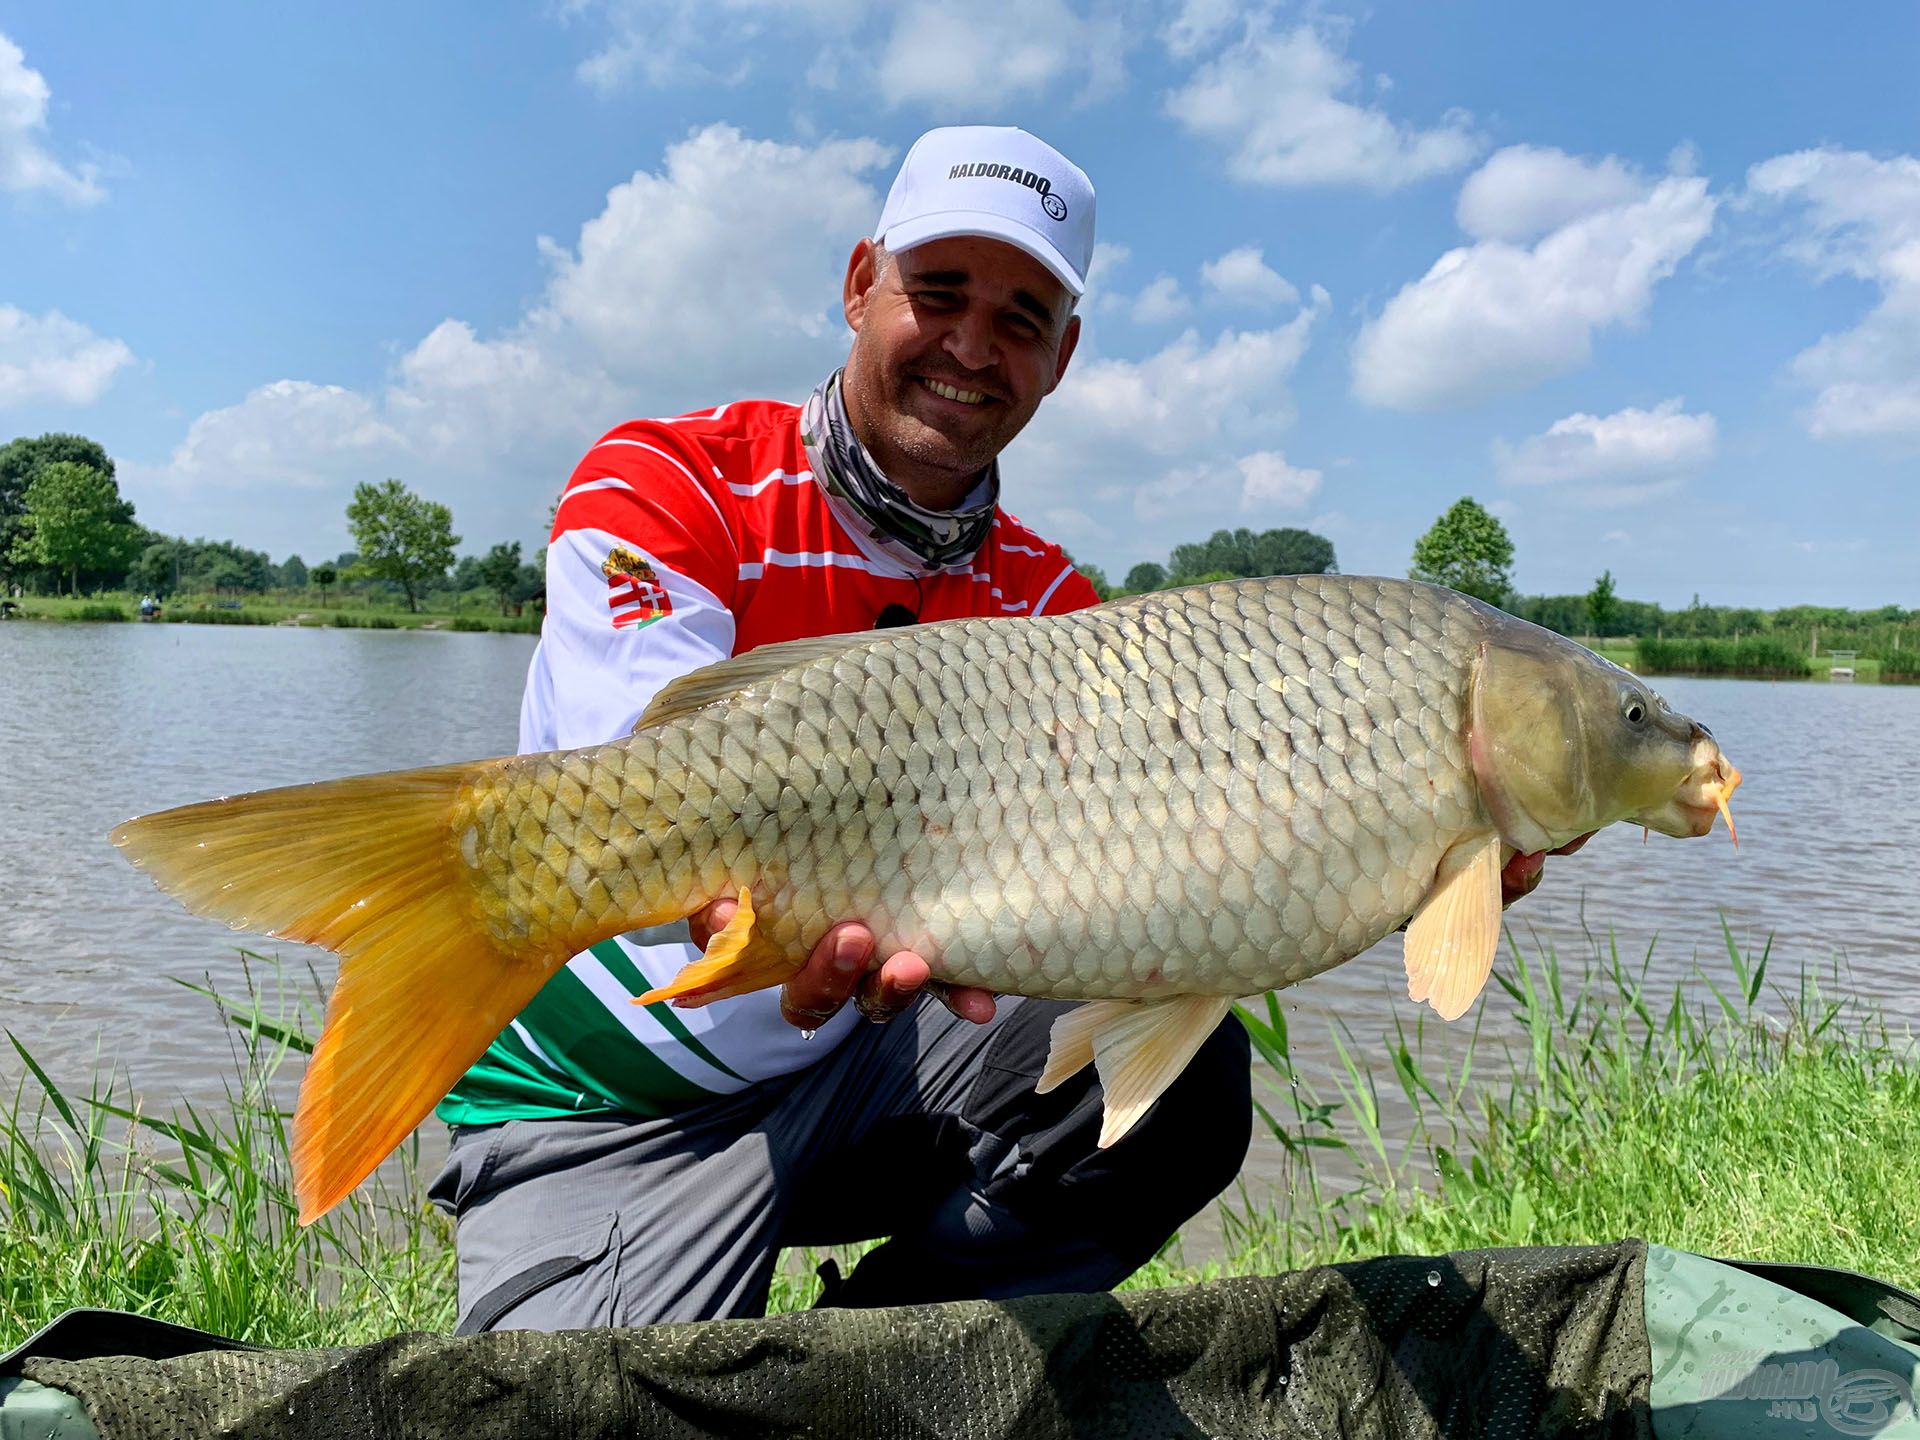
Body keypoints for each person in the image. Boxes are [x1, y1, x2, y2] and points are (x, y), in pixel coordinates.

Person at [429, 124, 1576, 1333]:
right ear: (861, 282)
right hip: (606, 1096)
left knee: (1191, 1086)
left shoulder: (1049, 602)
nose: (973, 346)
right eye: (938, 293)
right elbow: (645, 799)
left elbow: (1161, 892)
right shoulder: (667, 478)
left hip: (856, 1072)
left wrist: (1372, 850)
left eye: (1021, 318)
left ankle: (866, 1364)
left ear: (1063, 354)